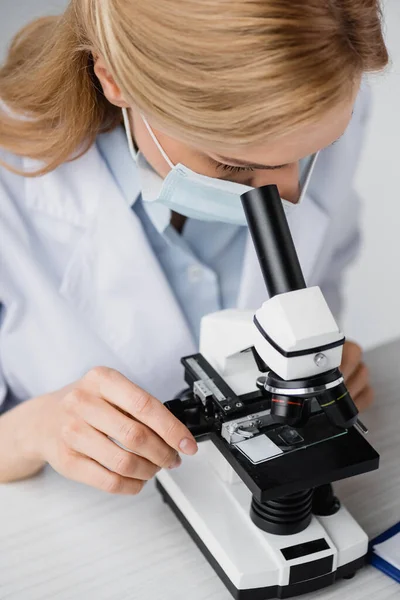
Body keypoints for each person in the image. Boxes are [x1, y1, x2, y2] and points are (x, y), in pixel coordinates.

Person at [0, 1, 388, 494]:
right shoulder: (10, 190)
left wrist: (317, 366)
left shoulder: (317, 96)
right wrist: (35, 429)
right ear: (113, 77)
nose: (289, 192)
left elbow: (327, 266)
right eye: (233, 165)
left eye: (312, 152)